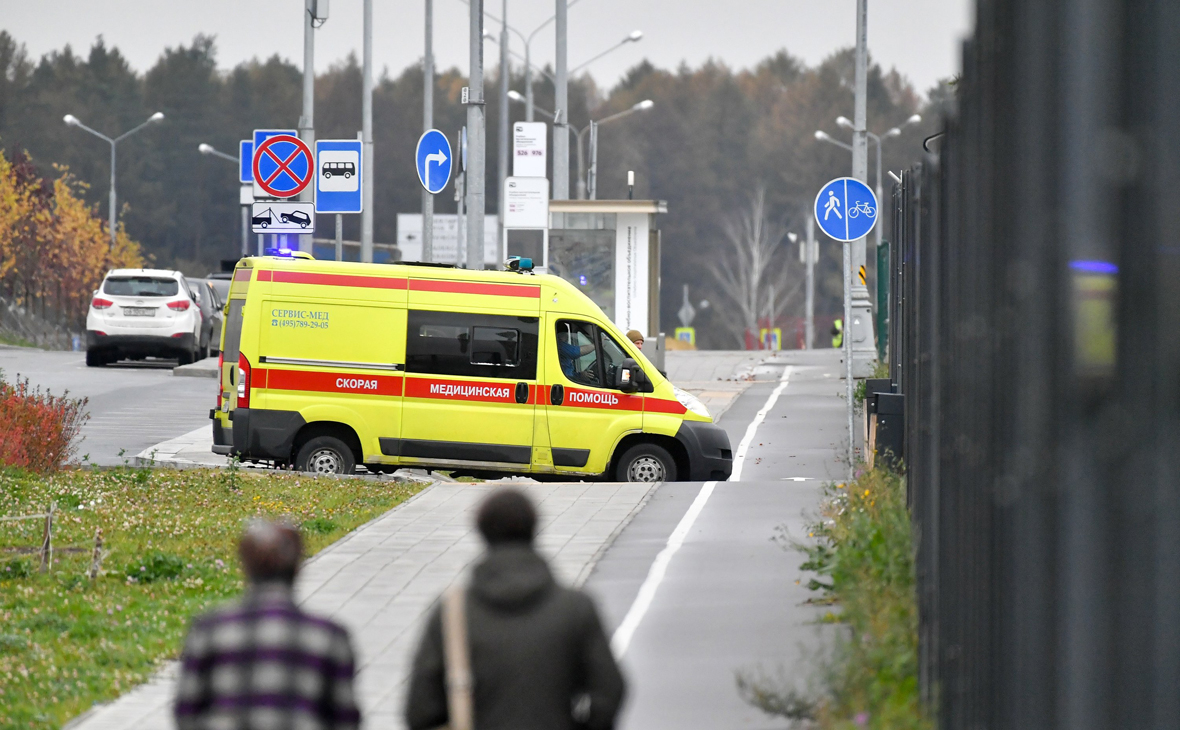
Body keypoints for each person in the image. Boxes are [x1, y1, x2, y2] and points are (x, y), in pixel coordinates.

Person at [405, 488, 625, 730]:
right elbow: (610, 688)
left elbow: (420, 709)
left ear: (481, 532)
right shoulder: (575, 608)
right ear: (534, 528)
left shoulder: (452, 612)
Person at [174, 520, 360, 729]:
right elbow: (346, 719)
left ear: (244, 565)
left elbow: (186, 713)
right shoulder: (330, 637)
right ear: (298, 566)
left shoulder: (209, 631)